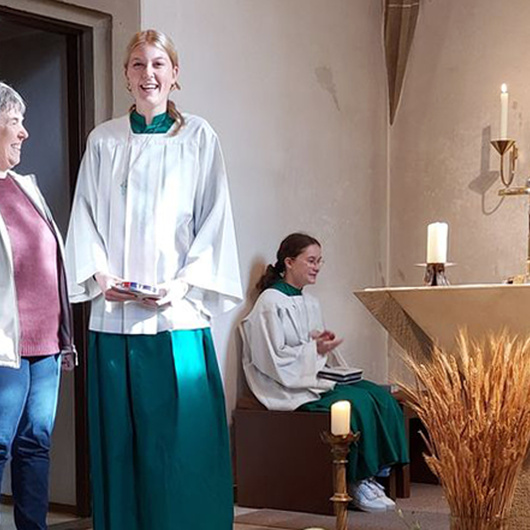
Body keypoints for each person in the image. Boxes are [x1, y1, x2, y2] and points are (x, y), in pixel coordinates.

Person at [65, 30, 242, 530]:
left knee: (182, 446)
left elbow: (215, 219)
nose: (149, 74)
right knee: (122, 447)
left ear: (175, 74)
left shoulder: (199, 138)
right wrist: (100, 276)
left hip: (177, 318)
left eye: (159, 64)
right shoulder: (103, 141)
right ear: (125, 75)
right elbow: (85, 219)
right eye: (138, 64)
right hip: (115, 320)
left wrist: (181, 286)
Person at [241, 233, 408, 513]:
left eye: (320, 261)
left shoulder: (310, 302)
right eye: (311, 260)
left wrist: (322, 346)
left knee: (377, 394)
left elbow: (310, 348)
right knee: (355, 404)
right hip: (282, 386)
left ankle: (373, 474)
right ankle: (354, 481)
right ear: (289, 262)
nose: (317, 266)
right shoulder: (270, 303)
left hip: (310, 378)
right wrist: (313, 349)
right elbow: (269, 357)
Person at [0, 82, 75, 530]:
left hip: (46, 344)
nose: (25, 133)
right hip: (4, 346)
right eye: (14, 122)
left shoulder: (25, 186)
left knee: (35, 445)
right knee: (1, 444)